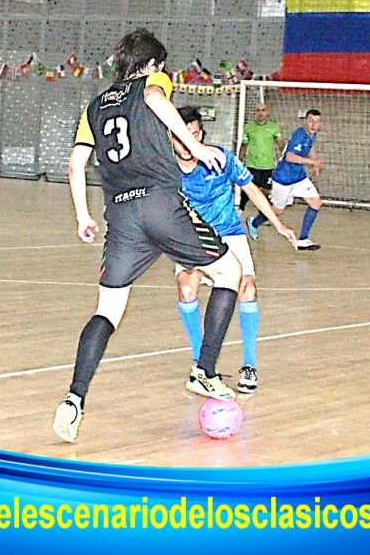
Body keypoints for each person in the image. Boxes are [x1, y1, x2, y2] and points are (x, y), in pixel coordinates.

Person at [52, 29, 243, 443]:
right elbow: (156, 100)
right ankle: (205, 371)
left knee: (107, 311)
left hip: (120, 214)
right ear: (153, 63)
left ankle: (73, 399)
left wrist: (83, 216)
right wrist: (196, 143)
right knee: (231, 272)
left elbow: (75, 164)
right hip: (161, 204)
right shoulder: (153, 82)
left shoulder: (95, 106)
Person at [174, 106, 296, 393]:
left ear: (200, 134)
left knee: (248, 289)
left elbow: (252, 189)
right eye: (182, 137)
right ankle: (200, 362)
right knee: (187, 289)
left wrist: (278, 224)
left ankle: (249, 364)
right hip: (192, 237)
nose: (188, 143)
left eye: (194, 135)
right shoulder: (165, 169)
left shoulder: (220, 159)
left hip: (230, 234)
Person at [246, 109, 324, 251]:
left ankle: (303, 239)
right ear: (305, 121)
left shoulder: (312, 135)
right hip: (283, 179)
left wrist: (315, 163)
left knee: (316, 202)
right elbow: (290, 157)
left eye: (317, 122)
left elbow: (310, 147)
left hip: (299, 177)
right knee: (277, 211)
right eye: (311, 121)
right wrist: (312, 163)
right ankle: (254, 222)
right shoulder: (299, 135)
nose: (313, 124)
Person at [237, 102, 285, 214]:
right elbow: (244, 145)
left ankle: (264, 213)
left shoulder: (274, 128)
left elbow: (281, 144)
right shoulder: (249, 128)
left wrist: (286, 158)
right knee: (248, 188)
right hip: (252, 164)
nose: (260, 113)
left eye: (263, 110)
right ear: (255, 112)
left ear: (267, 112)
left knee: (266, 190)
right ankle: (240, 209)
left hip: (267, 165)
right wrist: (239, 161)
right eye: (258, 110)